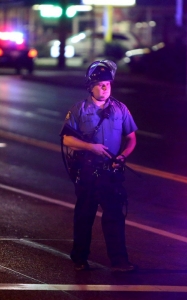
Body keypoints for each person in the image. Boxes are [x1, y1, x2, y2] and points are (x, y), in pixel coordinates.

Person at [59, 60, 138, 272]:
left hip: (110, 173)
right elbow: (66, 139)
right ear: (90, 86)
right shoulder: (79, 109)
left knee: (114, 217)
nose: (105, 88)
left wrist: (122, 156)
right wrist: (90, 147)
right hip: (86, 172)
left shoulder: (120, 109)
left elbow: (131, 138)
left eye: (108, 84)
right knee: (84, 216)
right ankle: (79, 259)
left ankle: (120, 261)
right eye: (101, 84)